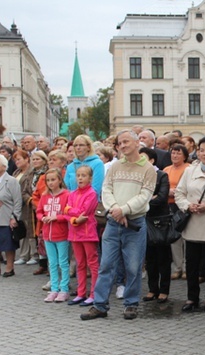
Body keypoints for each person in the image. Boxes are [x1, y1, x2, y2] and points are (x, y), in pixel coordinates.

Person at [80, 129, 156, 321]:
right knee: (106, 265)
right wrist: (115, 209)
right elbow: (106, 190)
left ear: (137, 142)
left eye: (126, 142)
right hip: (114, 222)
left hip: (135, 224)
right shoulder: (114, 167)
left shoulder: (148, 169)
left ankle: (131, 304)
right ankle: (100, 305)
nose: (122, 146)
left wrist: (124, 209)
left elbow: (145, 196)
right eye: (119, 143)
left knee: (133, 266)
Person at [175, 136, 205, 313]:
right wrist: (188, 206)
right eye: (201, 150)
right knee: (191, 264)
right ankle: (192, 297)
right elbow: (179, 193)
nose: (204, 153)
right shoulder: (190, 171)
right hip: (192, 222)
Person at [141, 147, 172, 303]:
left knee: (163, 257)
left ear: (152, 160)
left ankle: (164, 290)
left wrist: (143, 200)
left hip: (160, 221)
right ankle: (152, 289)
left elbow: (161, 198)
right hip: (143, 219)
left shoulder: (161, 175)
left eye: (144, 158)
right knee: (149, 258)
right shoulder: (138, 175)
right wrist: (147, 198)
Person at [65, 166, 99, 306]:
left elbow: (84, 212)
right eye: (78, 175)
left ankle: (94, 294)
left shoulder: (91, 193)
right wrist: (74, 219)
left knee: (92, 264)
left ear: (90, 178)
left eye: (83, 175)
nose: (80, 178)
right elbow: (67, 211)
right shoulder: (72, 194)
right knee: (80, 263)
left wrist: (72, 212)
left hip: (87, 233)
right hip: (75, 233)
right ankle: (81, 293)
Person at [37, 169, 71, 303]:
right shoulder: (44, 196)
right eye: (48, 180)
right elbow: (39, 212)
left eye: (53, 179)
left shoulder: (66, 195)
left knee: (63, 262)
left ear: (60, 180)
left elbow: (68, 214)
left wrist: (56, 217)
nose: (50, 183)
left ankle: (64, 289)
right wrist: (43, 218)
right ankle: (54, 288)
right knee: (52, 262)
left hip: (61, 234)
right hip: (47, 235)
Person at [166, 144, 191, 281]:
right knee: (174, 238)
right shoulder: (166, 169)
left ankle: (187, 268)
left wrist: (176, 192)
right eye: (173, 153)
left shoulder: (189, 168)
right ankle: (177, 268)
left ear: (185, 156)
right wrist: (167, 191)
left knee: (186, 238)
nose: (175, 156)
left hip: (183, 205)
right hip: (169, 206)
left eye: (178, 153)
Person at [12, 150, 38, 266]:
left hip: (27, 203)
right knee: (21, 228)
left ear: (27, 159)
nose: (17, 162)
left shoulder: (31, 172)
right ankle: (23, 255)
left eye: (19, 159)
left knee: (30, 229)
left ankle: (34, 254)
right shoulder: (16, 172)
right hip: (18, 204)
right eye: (15, 160)